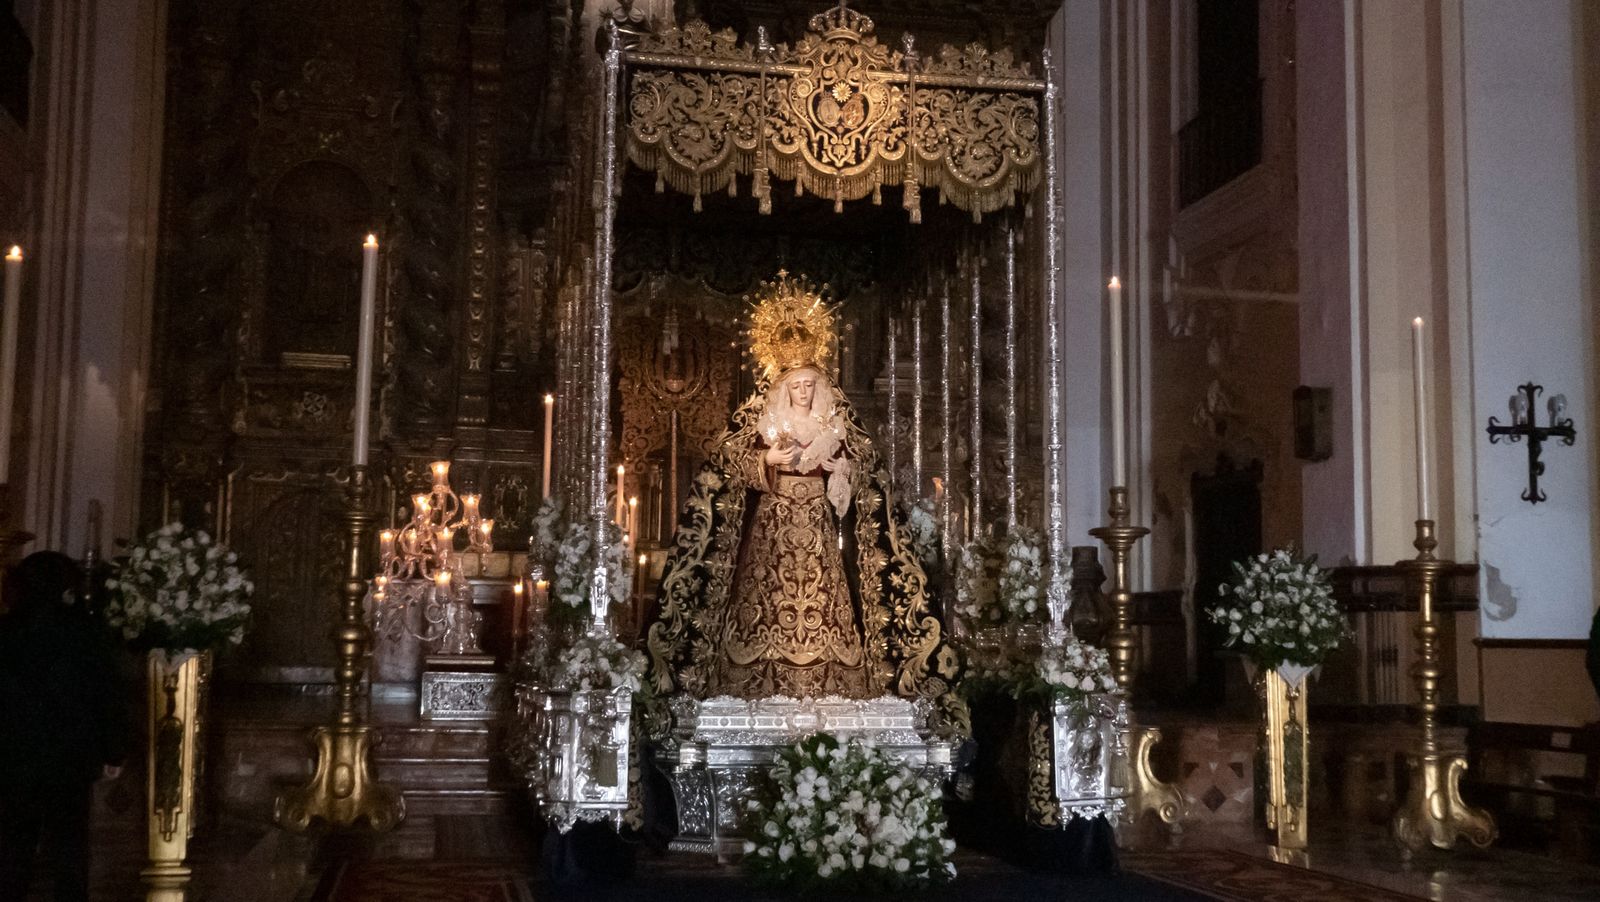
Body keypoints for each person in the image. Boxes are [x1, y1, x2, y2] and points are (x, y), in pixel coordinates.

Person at [644, 272, 965, 731]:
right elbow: (726, 460)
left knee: (824, 595)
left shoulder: (832, 423)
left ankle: (833, 680)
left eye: (810, 385)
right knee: (767, 597)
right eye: (796, 385)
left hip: (815, 522)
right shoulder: (763, 419)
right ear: (783, 386)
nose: (803, 392)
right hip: (772, 524)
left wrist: (843, 473)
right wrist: (767, 459)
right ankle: (754, 679)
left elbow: (864, 468)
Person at [0, 551, 131, 902]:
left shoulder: (6, 631)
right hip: (69, 758)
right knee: (69, 850)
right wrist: (114, 750)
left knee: (13, 849)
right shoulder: (85, 631)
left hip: (15, 757)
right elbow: (107, 693)